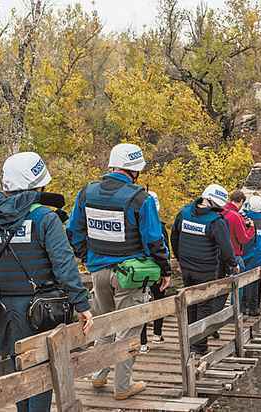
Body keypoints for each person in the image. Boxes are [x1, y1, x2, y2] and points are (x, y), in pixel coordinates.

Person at [0, 152, 93, 412]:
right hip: (40, 311)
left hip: (1, 310)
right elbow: (64, 266)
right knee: (42, 373)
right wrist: (82, 305)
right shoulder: (45, 219)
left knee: (16, 371)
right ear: (38, 184)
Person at [67, 143, 171, 400]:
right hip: (130, 275)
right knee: (129, 328)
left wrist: (85, 256)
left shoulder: (86, 193)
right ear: (135, 170)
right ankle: (123, 386)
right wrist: (164, 269)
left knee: (103, 324)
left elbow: (73, 231)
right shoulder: (140, 199)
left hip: (98, 271)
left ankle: (98, 375)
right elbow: (154, 239)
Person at [171, 184, 237, 354]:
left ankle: (189, 341)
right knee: (204, 306)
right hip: (206, 269)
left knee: (190, 304)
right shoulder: (216, 221)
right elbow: (226, 248)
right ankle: (199, 346)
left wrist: (179, 258)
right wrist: (233, 264)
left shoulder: (184, 213)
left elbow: (174, 236)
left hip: (186, 267)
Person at [139, 191, 170, 352]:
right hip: (156, 270)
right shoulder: (160, 227)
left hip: (139, 270)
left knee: (142, 304)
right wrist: (167, 271)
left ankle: (142, 342)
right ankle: (157, 334)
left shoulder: (134, 224)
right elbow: (164, 250)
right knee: (158, 302)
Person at [221, 190, 255, 272]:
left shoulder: (221, 210)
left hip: (220, 254)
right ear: (241, 201)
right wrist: (251, 228)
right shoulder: (236, 216)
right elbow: (243, 239)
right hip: (234, 255)